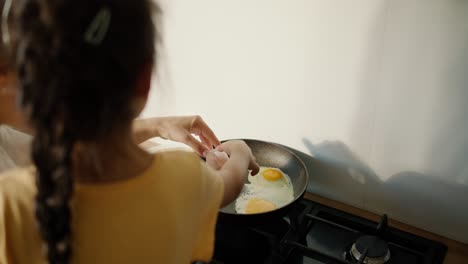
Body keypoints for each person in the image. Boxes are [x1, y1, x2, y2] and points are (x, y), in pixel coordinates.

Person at [0, 1, 259, 264]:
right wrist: (239, 151)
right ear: (145, 80)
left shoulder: (10, 203)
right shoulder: (185, 178)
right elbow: (230, 182)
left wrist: (158, 126)